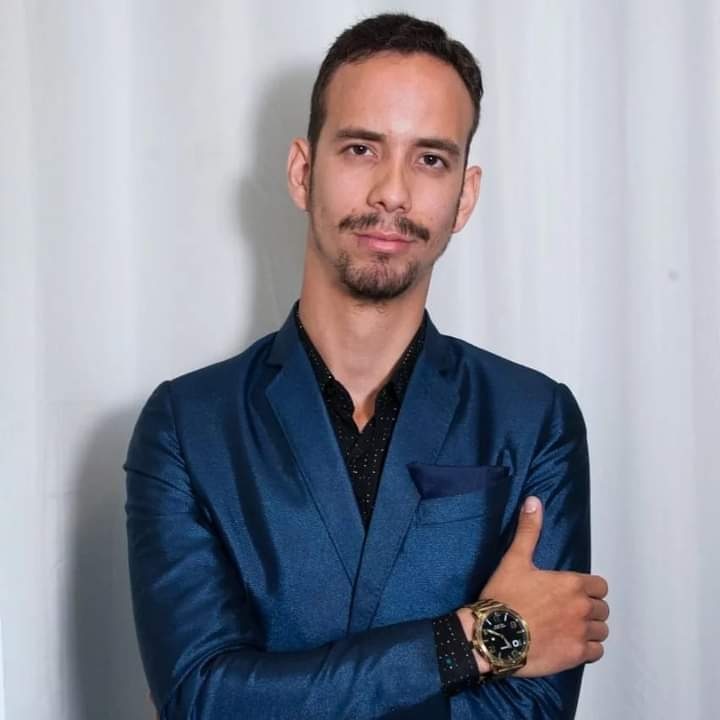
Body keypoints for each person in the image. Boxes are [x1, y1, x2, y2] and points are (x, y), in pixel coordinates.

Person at [124, 12, 609, 719]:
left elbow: (530, 711)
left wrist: (271, 695)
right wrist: (475, 641)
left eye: (430, 159)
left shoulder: (536, 419)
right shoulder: (185, 426)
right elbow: (201, 700)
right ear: (303, 171)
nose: (393, 192)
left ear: (465, 196)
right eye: (360, 148)